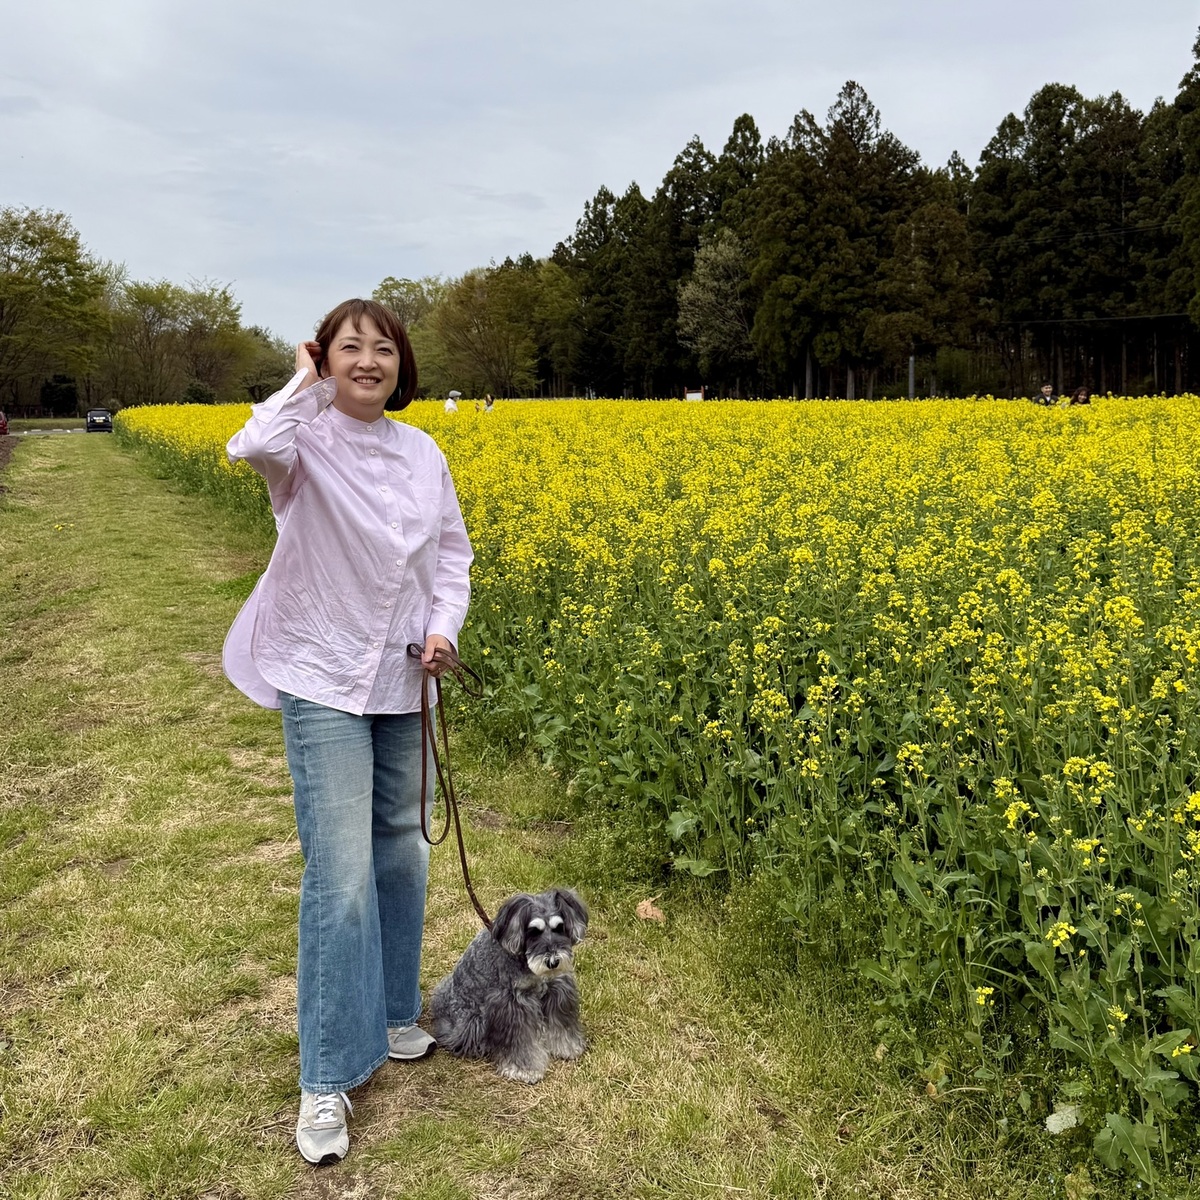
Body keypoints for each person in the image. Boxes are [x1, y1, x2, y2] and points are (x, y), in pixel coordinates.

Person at [222, 298, 473, 1166]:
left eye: (383, 349)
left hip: (406, 674)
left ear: (402, 365)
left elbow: (450, 557)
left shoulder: (424, 450)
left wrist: (446, 626)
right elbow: (248, 445)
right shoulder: (302, 442)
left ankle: (397, 1013)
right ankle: (325, 1075)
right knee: (341, 873)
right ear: (324, 358)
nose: (368, 362)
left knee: (402, 849)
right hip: (322, 672)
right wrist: (300, 380)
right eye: (348, 349)